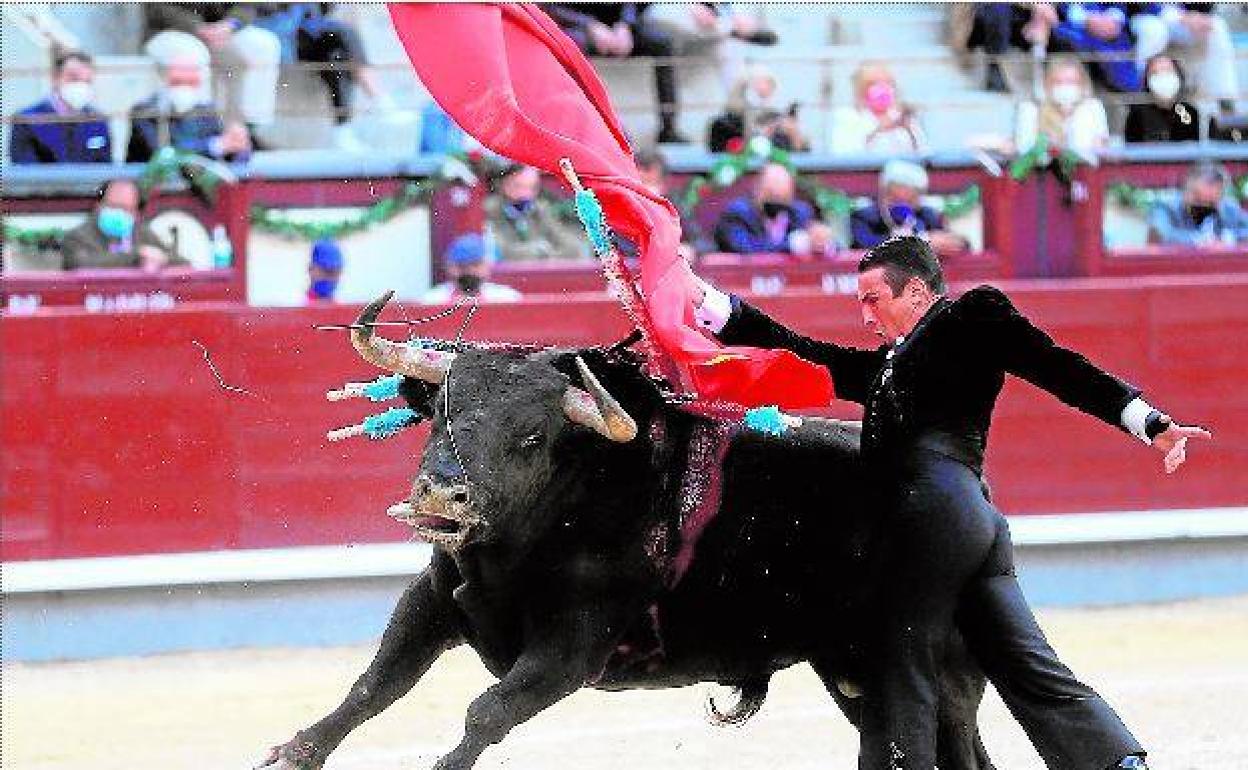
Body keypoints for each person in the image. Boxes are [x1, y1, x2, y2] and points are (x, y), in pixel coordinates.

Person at [690, 234, 1209, 770]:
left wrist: (1144, 419)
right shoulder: (891, 364)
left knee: (896, 653)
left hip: (928, 516)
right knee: (1022, 658)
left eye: (874, 299)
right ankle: (1116, 763)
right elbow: (808, 354)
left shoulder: (969, 319)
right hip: (971, 524)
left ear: (916, 291)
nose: (866, 315)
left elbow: (1056, 366)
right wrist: (712, 305)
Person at [253, 3, 411, 152]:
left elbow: (324, 9)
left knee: (337, 56)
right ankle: (380, 103)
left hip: (309, 32)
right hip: (281, 34)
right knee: (344, 33)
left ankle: (343, 131)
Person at [545, 3, 689, 144]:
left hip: (618, 27)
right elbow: (552, 7)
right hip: (578, 27)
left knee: (662, 43)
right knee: (573, 46)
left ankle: (669, 128)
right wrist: (590, 25)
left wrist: (625, 24)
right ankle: (588, 129)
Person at [142, 4, 281, 147]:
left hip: (220, 29)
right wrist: (197, 27)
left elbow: (246, 5)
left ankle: (245, 133)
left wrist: (230, 24)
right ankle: (201, 138)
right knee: (196, 54)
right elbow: (156, 7)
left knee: (262, 45)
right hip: (172, 29)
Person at [126, 54, 252, 163]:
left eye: (191, 82)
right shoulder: (144, 110)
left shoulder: (207, 111)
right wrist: (215, 145)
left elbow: (230, 152)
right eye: (178, 82)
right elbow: (162, 152)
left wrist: (238, 145)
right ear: (165, 79)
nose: (184, 89)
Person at [8, 50, 112, 165]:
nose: (81, 86)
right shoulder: (27, 121)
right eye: (74, 78)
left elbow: (105, 170)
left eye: (87, 81)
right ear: (55, 78)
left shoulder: (98, 121)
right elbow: (24, 171)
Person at [61, 179, 187, 271]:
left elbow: (182, 263)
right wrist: (136, 257)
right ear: (99, 206)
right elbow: (81, 264)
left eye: (126, 209)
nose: (119, 213)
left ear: (135, 213)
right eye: (114, 206)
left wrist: (162, 259)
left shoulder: (142, 234)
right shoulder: (77, 236)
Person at [1130, 3, 1239, 109]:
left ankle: (1225, 99)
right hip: (1143, 15)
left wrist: (1198, 15)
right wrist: (1179, 16)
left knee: (1216, 25)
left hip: (1179, 15)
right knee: (1155, 31)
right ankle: (1140, 93)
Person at [713, 163, 834, 258]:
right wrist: (792, 244)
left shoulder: (800, 212)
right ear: (757, 190)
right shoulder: (737, 214)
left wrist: (822, 242)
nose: (776, 204)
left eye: (783, 197)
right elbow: (746, 249)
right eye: (771, 194)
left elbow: (834, 248)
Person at [850, 160, 968, 257]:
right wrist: (921, 242)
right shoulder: (863, 217)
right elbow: (863, 245)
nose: (902, 206)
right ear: (883, 194)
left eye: (909, 200)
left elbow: (960, 245)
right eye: (896, 199)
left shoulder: (928, 216)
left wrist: (951, 243)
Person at [483, 163, 585, 262]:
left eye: (532, 188)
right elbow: (500, 251)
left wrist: (549, 256)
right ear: (503, 185)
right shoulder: (491, 210)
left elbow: (570, 246)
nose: (525, 194)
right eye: (518, 186)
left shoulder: (539, 209)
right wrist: (539, 252)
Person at [1014, 56, 1108, 160]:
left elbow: (1099, 149)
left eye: (1072, 82)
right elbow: (1023, 149)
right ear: (1047, 84)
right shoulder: (1030, 109)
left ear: (1083, 84)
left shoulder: (1093, 107)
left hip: (1084, 171)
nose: (1065, 87)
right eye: (1058, 82)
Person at [831, 61, 926, 155]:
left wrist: (910, 132)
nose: (883, 88)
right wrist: (878, 131)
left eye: (888, 83)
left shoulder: (904, 118)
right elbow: (843, 154)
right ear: (861, 89)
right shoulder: (847, 118)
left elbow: (924, 152)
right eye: (874, 83)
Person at [960, 3, 1058, 92]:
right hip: (1003, 15)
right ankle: (995, 65)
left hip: (1042, 17)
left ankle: (1051, 76)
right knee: (997, 10)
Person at [634, 147, 711, 259]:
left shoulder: (674, 205)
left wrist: (689, 249)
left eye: (646, 170)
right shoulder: (621, 205)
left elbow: (703, 243)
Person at [1147, 162, 1248, 246]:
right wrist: (1199, 240)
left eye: (1210, 202)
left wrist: (1229, 238)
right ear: (1186, 191)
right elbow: (1160, 234)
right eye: (1199, 199)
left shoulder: (1229, 209)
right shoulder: (1165, 206)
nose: (1204, 207)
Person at [1049, 3, 1142, 93]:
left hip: (1111, 25)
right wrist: (1085, 19)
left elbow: (1122, 9)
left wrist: (1114, 18)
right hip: (1070, 30)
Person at [421, 233, 522, 304]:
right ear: (448, 267)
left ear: (487, 266)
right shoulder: (432, 300)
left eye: (475, 265)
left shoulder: (506, 299)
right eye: (461, 266)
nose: (469, 271)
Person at [1124, 54, 1200, 143]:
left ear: (1178, 75)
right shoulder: (1137, 115)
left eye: (1167, 71)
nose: (1162, 76)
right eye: (1155, 72)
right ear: (1147, 79)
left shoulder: (1189, 112)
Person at [307, 238, 344, 303]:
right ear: (311, 269)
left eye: (336, 272)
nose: (331, 278)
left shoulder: (344, 310)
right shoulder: (294, 307)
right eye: (327, 271)